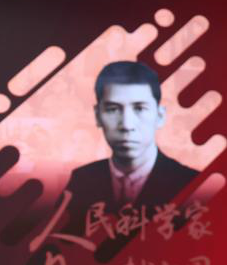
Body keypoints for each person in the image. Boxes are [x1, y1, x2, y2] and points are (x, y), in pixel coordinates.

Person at [62, 61, 198, 243]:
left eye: (140, 108)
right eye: (112, 109)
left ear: (160, 116)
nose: (127, 124)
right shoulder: (81, 181)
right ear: (97, 116)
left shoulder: (192, 185)